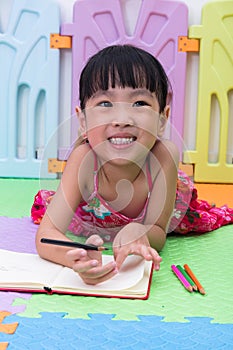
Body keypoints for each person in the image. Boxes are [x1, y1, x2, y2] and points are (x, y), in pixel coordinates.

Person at [32, 44, 233, 285]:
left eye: (139, 104)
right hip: (95, 217)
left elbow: (158, 229)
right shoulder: (83, 159)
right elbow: (46, 236)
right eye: (105, 103)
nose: (122, 120)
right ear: (83, 121)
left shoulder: (163, 156)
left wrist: (139, 231)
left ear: (162, 119)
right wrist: (76, 257)